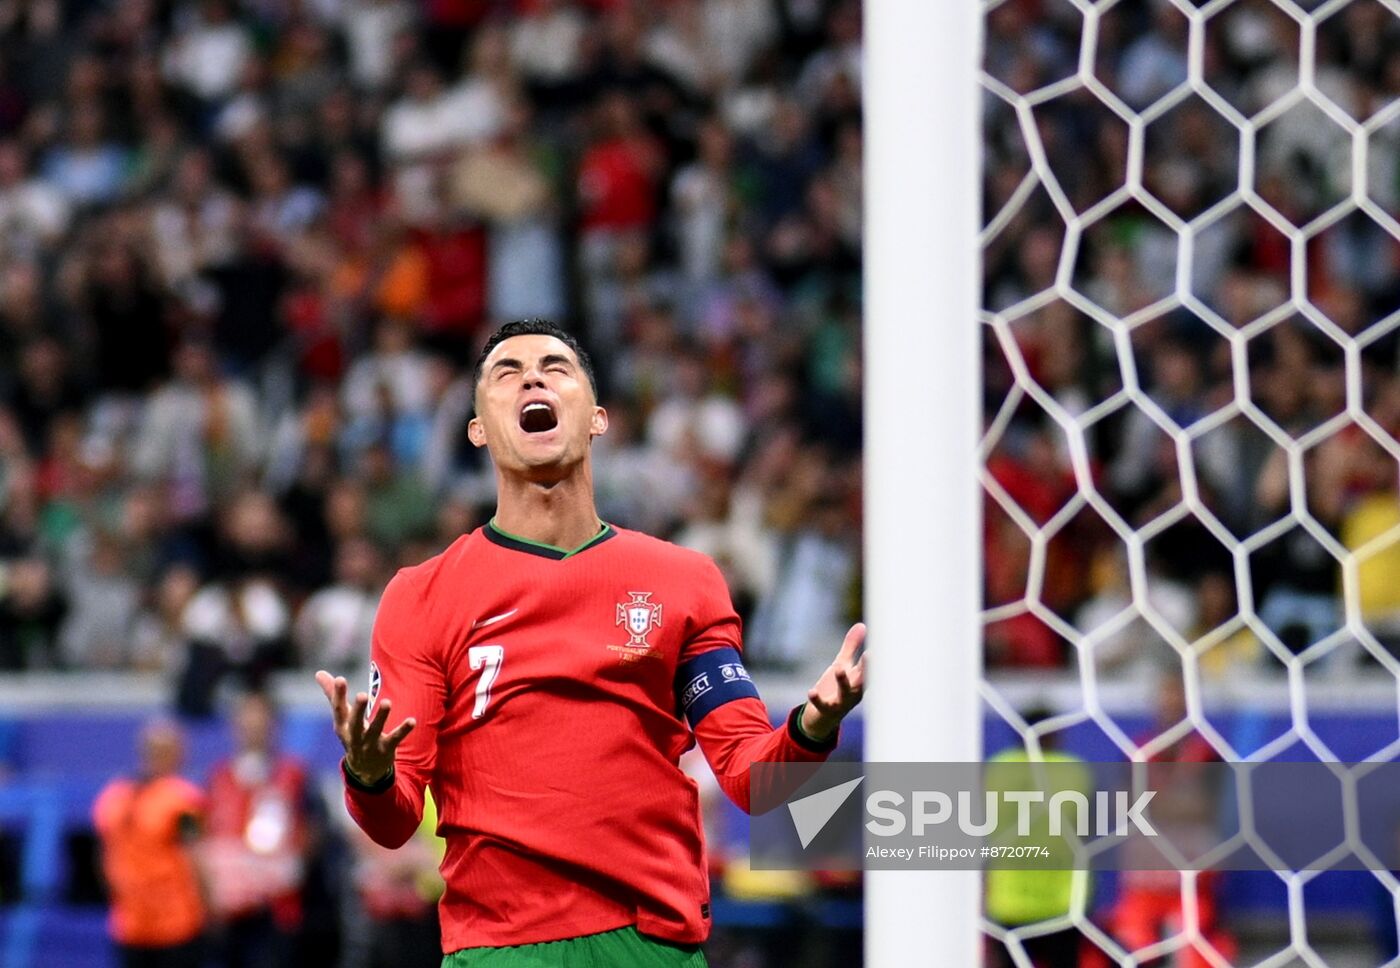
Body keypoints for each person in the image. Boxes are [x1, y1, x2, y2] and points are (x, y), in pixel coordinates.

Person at [315, 318, 867, 966]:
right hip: (502, 951)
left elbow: (751, 776)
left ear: (598, 418)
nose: (531, 378)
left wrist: (811, 726)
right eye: (505, 373)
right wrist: (371, 773)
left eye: (555, 367)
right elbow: (394, 822)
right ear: (478, 429)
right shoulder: (421, 596)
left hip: (652, 947)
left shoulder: (683, 582)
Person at [203, 691, 315, 968]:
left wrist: (291, 867)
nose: (253, 728)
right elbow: (205, 837)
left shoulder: (294, 775)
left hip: (278, 912)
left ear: (274, 725)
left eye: (260, 721)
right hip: (229, 915)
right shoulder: (218, 778)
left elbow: (312, 829)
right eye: (246, 721)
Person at [92, 720, 207, 968]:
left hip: (128, 922)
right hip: (176, 924)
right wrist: (210, 907)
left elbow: (103, 860)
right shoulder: (182, 799)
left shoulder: (112, 795)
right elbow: (195, 858)